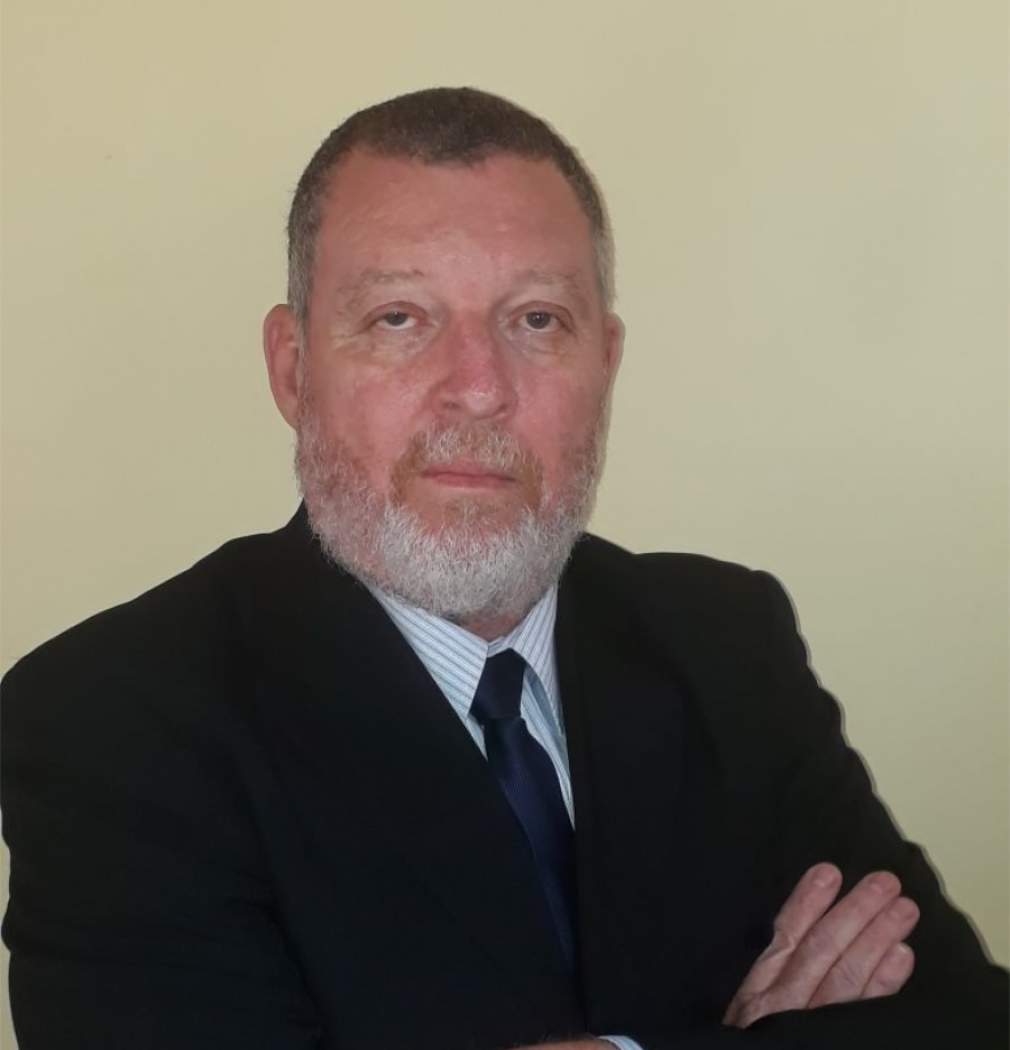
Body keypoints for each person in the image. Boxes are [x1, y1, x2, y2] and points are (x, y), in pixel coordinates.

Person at [1, 87, 1005, 1050]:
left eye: (536, 320)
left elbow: (966, 1022)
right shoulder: (109, 722)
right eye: (399, 318)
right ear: (294, 369)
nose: (477, 389)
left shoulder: (724, 640)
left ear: (605, 362)